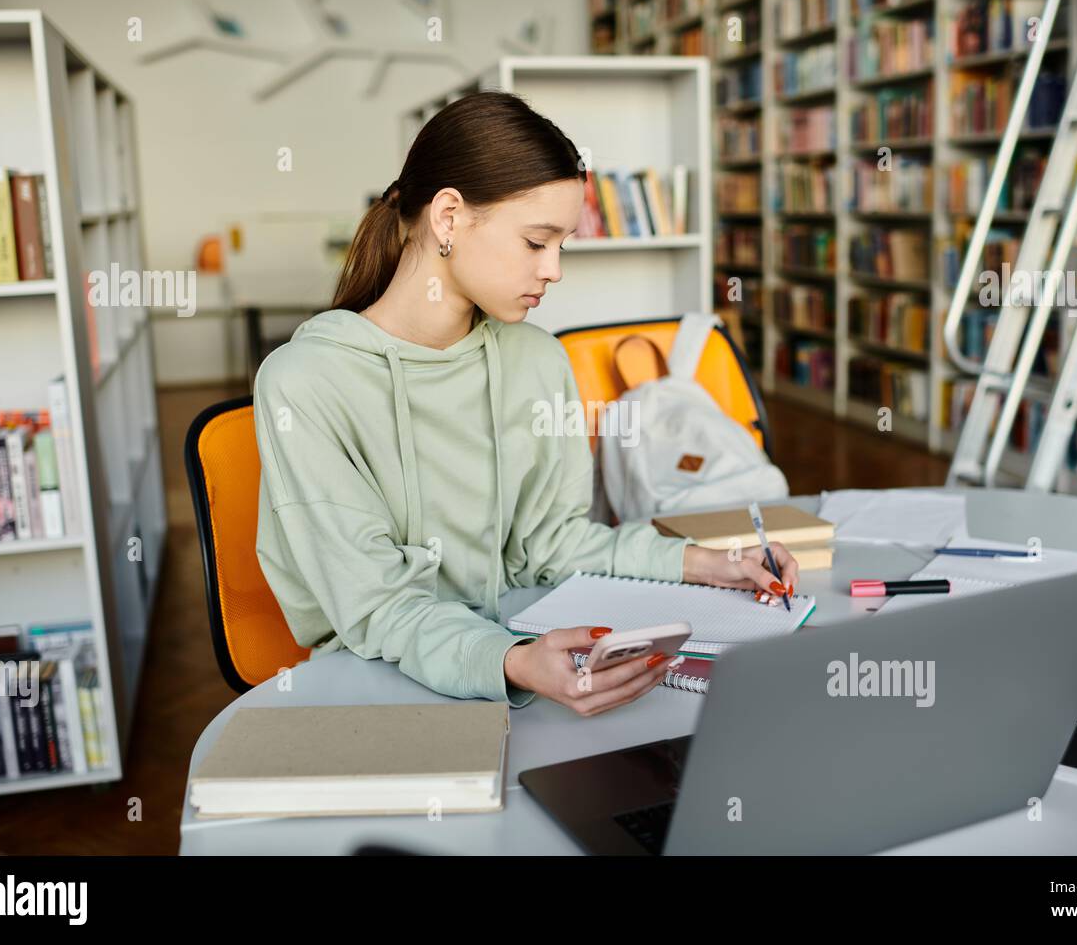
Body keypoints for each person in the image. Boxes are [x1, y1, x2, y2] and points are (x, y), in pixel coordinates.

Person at [253, 91, 798, 717]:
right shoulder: (305, 382)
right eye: (537, 242)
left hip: (526, 658)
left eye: (563, 245)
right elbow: (376, 608)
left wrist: (707, 564)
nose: (555, 270)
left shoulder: (538, 360)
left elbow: (554, 542)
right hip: (382, 687)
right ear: (449, 218)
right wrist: (510, 660)